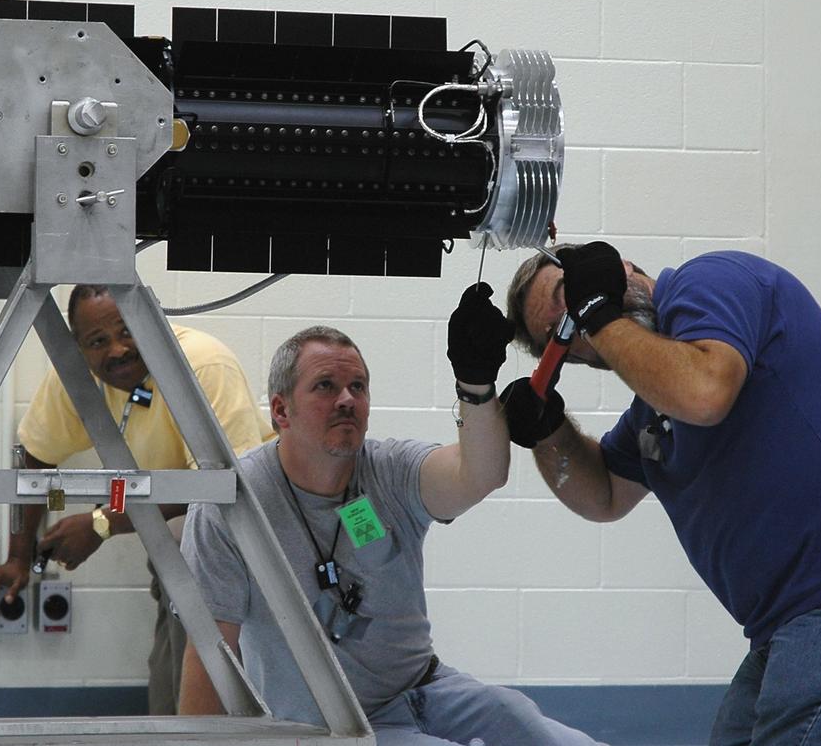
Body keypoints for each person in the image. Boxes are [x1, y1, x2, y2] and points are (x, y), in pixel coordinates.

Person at [501, 242, 821, 746]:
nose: (581, 326)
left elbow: (706, 391)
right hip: (788, 623)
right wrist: (549, 430)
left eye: (572, 294)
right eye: (562, 334)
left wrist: (598, 315)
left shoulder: (711, 281)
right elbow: (604, 495)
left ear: (618, 268)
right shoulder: (653, 413)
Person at [177, 289, 603, 745]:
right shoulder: (232, 505)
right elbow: (210, 651)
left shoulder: (389, 470)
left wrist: (476, 385)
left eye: (357, 387)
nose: (346, 399)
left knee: (528, 723)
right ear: (281, 410)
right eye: (325, 386)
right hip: (334, 728)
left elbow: (480, 475)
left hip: (428, 691)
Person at [0, 283, 271, 715]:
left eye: (127, 331)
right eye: (98, 341)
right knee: (170, 663)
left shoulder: (204, 363)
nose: (117, 350)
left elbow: (220, 487)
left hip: (238, 540)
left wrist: (101, 523)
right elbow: (34, 456)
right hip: (174, 551)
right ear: (78, 348)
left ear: (151, 324)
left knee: (190, 544)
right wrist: (18, 558)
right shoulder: (74, 378)